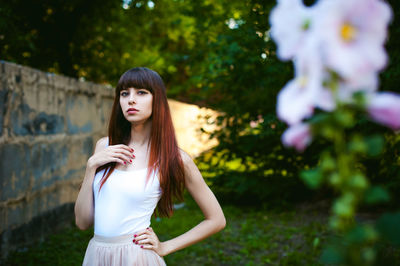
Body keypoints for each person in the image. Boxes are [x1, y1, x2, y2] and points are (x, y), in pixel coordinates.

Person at [74, 67, 226, 265]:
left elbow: (216, 219)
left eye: (141, 92)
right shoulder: (105, 147)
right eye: (124, 93)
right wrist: (91, 167)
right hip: (97, 255)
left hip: (137, 257)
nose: (131, 99)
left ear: (158, 100)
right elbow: (82, 222)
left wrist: (166, 246)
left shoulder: (175, 158)